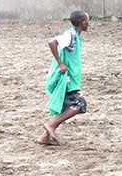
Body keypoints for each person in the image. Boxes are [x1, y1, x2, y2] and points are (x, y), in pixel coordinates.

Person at [38, 10, 90, 146]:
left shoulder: (75, 36)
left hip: (71, 78)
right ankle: (51, 126)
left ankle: (44, 137)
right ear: (83, 22)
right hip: (67, 79)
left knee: (66, 106)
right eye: (88, 21)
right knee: (80, 104)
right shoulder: (70, 35)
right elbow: (52, 42)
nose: (89, 23)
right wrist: (60, 63)